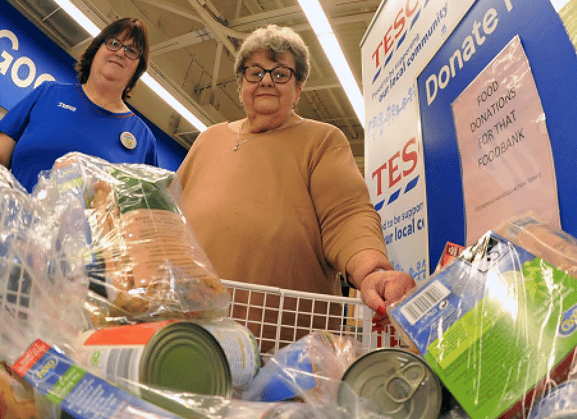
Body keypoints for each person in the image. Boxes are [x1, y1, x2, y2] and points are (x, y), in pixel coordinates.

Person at [177, 24, 415, 321]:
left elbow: (348, 216)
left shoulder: (322, 140)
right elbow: (171, 218)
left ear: (298, 89)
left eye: (280, 74)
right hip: (194, 328)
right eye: (255, 72)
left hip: (287, 339)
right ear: (240, 86)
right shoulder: (208, 139)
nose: (266, 81)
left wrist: (372, 271)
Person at [0, 17, 159, 193]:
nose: (121, 53)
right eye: (114, 43)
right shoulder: (48, 93)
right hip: (11, 219)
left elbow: (143, 211)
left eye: (132, 51)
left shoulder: (143, 138)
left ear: (138, 68)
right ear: (96, 49)